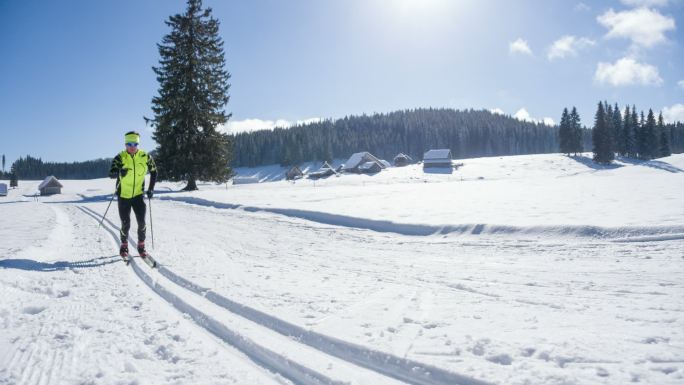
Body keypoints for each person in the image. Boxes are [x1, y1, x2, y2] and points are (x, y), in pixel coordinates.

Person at [109, 131, 157, 257]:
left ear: (138, 144)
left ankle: (141, 245)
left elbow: (154, 171)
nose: (132, 146)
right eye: (129, 144)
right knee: (126, 223)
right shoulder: (120, 157)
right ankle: (124, 245)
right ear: (125, 144)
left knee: (142, 222)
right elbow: (111, 173)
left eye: (135, 144)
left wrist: (151, 188)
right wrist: (119, 172)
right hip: (123, 195)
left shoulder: (145, 156)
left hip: (138, 195)